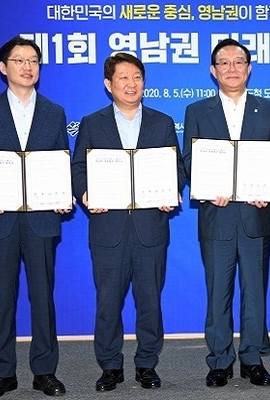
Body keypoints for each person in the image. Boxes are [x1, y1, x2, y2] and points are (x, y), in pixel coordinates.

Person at [71, 53, 185, 392]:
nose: (131, 84)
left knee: (150, 302)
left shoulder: (162, 122)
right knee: (108, 303)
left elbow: (177, 168)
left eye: (137, 77)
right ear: (109, 84)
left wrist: (172, 190)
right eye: (123, 78)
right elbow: (78, 168)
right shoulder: (92, 123)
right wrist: (86, 193)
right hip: (109, 229)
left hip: (151, 227)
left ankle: (147, 364)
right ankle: (110, 366)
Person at [0, 36, 70, 399]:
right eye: (20, 60)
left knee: (43, 298)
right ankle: (2, 374)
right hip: (0, 219)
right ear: (3, 67)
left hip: (42, 219)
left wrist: (63, 194)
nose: (27, 67)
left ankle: (45, 372)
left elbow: (60, 162)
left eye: (33, 61)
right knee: (2, 299)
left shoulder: (54, 112)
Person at [182, 38, 270, 387]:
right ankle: (219, 360)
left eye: (238, 62)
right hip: (217, 216)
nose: (232, 68)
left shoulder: (269, 109)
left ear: (249, 68)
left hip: (256, 215)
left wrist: (267, 189)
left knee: (255, 293)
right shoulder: (197, 111)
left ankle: (252, 359)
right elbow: (189, 159)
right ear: (213, 71)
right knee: (218, 293)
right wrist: (207, 187)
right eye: (224, 63)